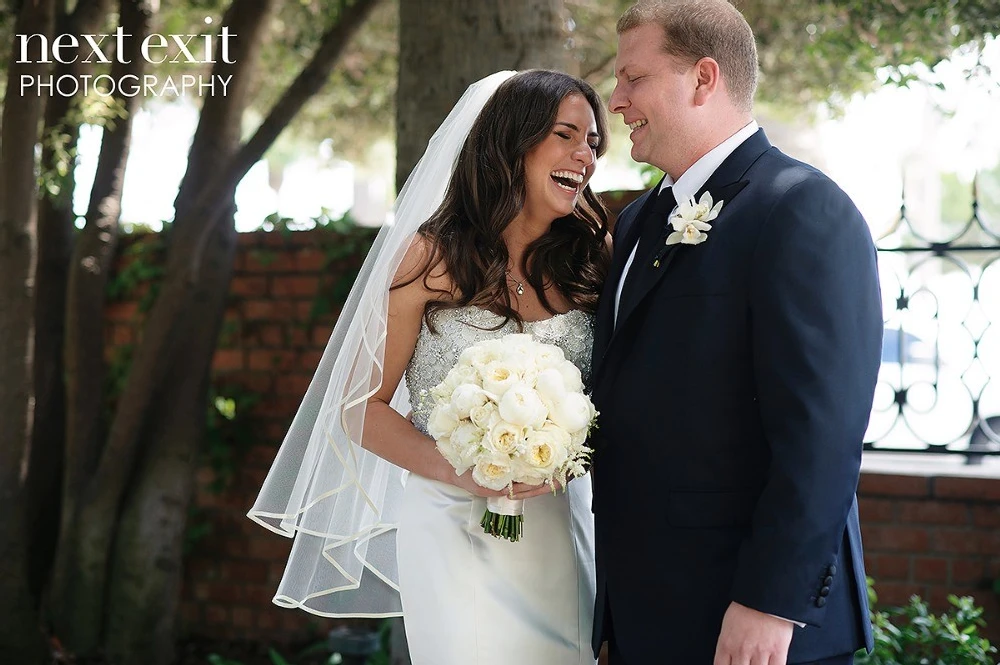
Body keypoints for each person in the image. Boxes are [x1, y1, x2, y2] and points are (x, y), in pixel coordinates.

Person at [249, 69, 611, 665]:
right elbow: (360, 408)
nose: (586, 156)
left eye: (593, 142)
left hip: (560, 515)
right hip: (452, 523)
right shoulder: (430, 255)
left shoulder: (592, 259)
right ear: (510, 144)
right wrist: (468, 474)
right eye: (566, 135)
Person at [589, 2, 882, 664]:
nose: (617, 100)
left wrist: (770, 602)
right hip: (644, 613)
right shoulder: (635, 223)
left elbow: (823, 434)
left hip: (747, 624)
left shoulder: (802, 208)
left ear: (702, 78)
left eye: (633, 78)